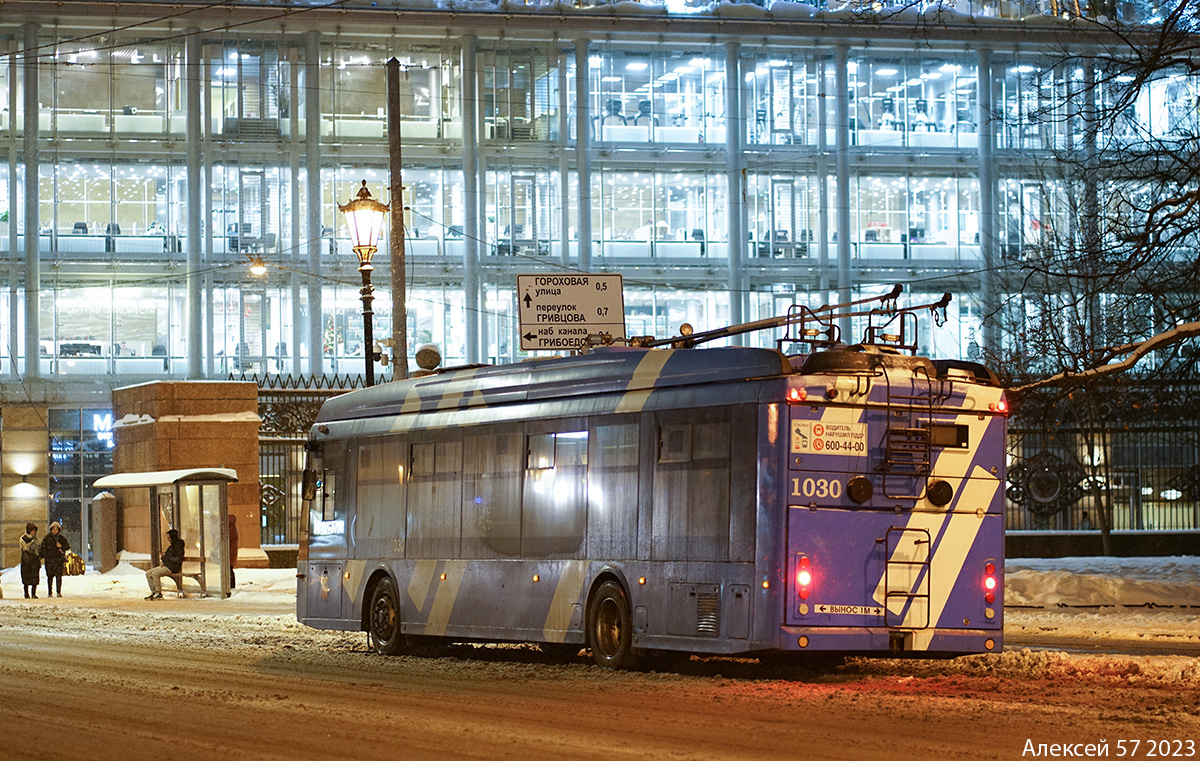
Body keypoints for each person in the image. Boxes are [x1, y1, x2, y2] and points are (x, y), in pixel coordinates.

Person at [145, 528, 185, 601]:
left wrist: (167, 557)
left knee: (155, 574)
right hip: (167, 566)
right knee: (148, 573)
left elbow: (178, 560)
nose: (168, 540)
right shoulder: (171, 547)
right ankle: (154, 592)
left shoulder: (178, 547)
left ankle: (158, 593)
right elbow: (167, 558)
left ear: (173, 537)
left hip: (172, 568)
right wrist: (164, 557)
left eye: (169, 538)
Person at [39, 521, 71, 597]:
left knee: (58, 576)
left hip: (58, 560)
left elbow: (67, 547)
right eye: (53, 529)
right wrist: (43, 555)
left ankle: (58, 591)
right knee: (50, 577)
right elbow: (43, 548)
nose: (55, 531)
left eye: (56, 529)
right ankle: (50, 592)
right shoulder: (47, 538)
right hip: (49, 560)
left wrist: (61, 547)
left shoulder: (61, 538)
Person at [19, 523, 41, 599]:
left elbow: (39, 550)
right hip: (26, 561)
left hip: (35, 561)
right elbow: (24, 550)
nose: (33, 532)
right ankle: (26, 593)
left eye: (34, 531)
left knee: (34, 578)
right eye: (32, 531)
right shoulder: (23, 539)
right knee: (26, 579)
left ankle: (33, 593)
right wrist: (27, 560)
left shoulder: (37, 539)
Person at [227, 514, 239, 590]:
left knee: (229, 569)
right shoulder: (233, 529)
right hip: (231, 553)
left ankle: (231, 585)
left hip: (230, 554)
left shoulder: (230, 530)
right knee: (230, 569)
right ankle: (231, 585)